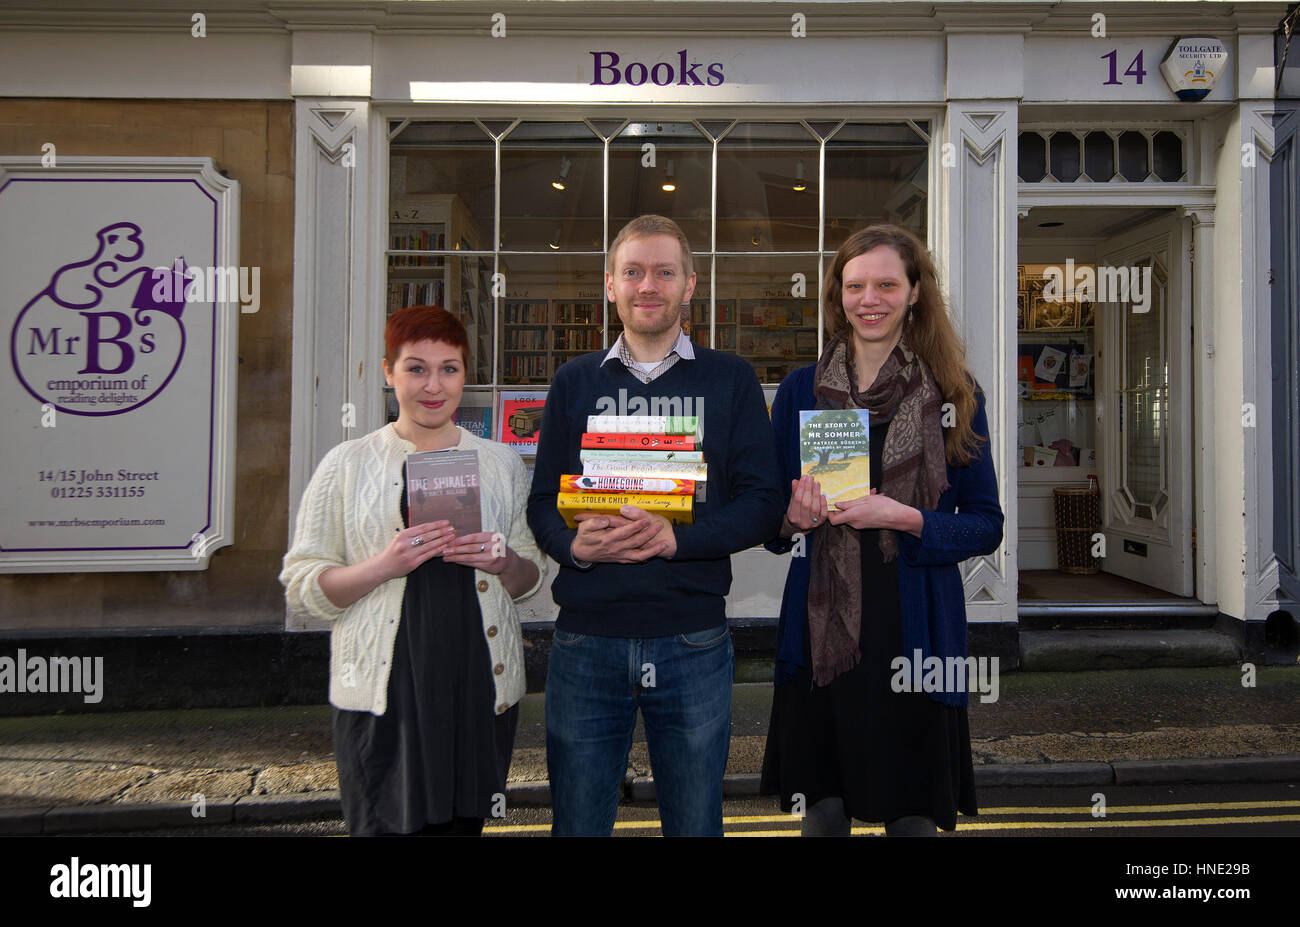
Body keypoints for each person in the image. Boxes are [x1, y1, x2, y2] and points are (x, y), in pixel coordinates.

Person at [527, 215, 784, 836]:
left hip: (691, 638)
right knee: (579, 823)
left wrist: (678, 540)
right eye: (633, 271)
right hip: (586, 639)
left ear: (690, 285)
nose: (649, 285)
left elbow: (763, 502)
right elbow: (540, 504)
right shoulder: (573, 382)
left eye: (664, 272)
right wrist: (573, 545)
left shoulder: (730, 379)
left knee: (695, 824)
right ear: (610, 285)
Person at [759, 224, 1004, 836]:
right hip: (823, 632)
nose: (870, 298)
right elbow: (767, 517)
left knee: (913, 816)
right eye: (856, 285)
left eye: (887, 284)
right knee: (822, 811)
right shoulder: (800, 391)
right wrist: (792, 517)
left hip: (914, 626)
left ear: (915, 292)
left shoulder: (952, 394)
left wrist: (906, 517)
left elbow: (985, 525)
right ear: (837, 295)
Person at [280, 305, 546, 836]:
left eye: (449, 368)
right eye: (416, 368)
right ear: (388, 372)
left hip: (476, 686)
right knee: (383, 826)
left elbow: (530, 577)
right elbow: (303, 588)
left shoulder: (501, 463)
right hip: (386, 694)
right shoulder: (347, 464)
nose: (434, 385)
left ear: (465, 375)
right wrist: (383, 565)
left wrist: (503, 562)